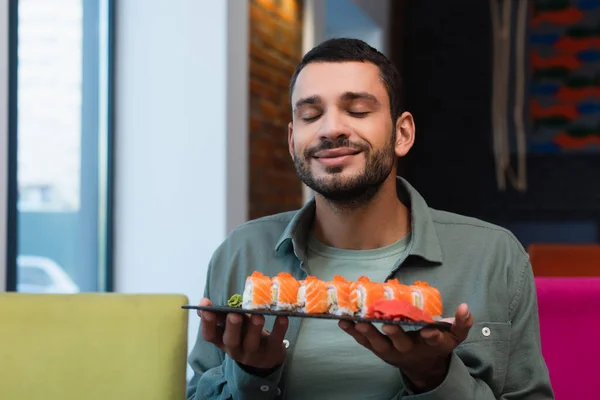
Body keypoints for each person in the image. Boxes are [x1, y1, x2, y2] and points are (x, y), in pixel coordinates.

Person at [186, 38, 554, 399]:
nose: (330, 129)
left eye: (358, 111)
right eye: (311, 115)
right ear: (292, 139)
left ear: (402, 133)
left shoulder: (492, 257)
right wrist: (252, 377)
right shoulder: (241, 252)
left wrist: (433, 377)